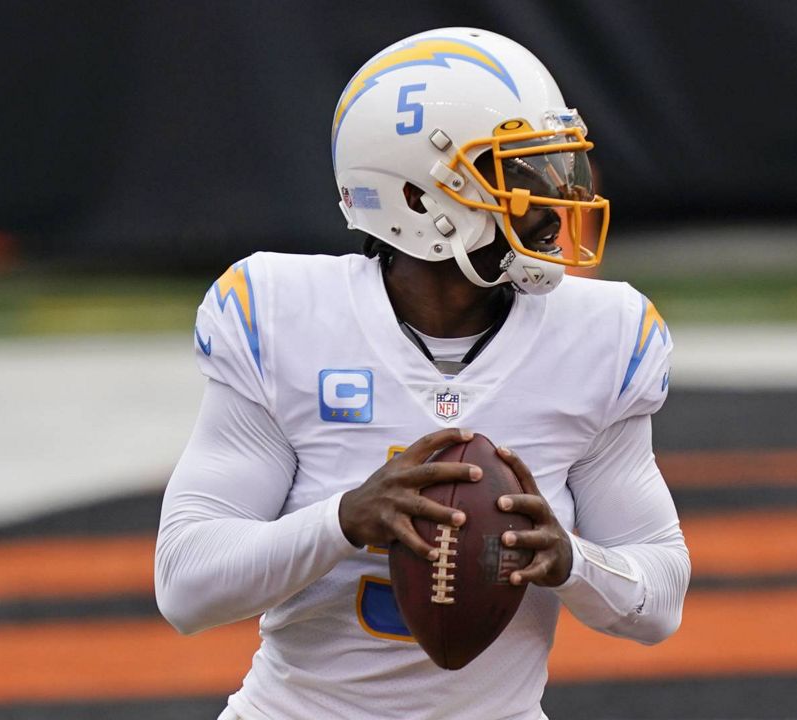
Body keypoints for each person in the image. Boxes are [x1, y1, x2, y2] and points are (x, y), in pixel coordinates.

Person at [154, 26, 690, 720]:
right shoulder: (279, 314)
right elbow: (187, 587)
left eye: (555, 165)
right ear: (417, 199)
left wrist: (572, 563)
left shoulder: (604, 334)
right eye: (515, 170)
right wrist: (344, 519)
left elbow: (661, 598)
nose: (555, 198)